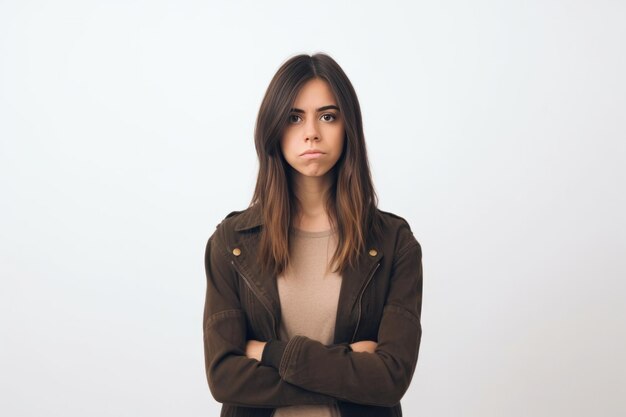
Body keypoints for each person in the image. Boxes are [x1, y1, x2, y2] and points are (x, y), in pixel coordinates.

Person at [203, 53, 423, 417]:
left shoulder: (393, 242)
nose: (311, 132)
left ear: (347, 125)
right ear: (273, 128)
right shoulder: (232, 242)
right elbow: (224, 377)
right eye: (294, 117)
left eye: (327, 116)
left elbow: (389, 378)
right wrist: (350, 363)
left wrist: (269, 353)